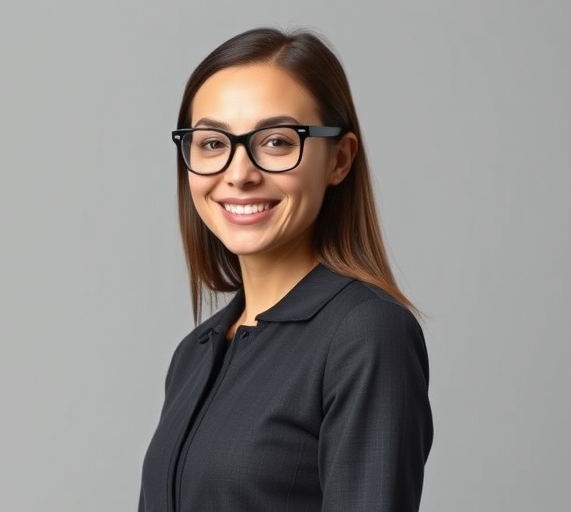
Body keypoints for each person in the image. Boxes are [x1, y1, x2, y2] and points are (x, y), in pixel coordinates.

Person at [138, 27, 433, 512]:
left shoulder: (366, 334)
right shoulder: (194, 353)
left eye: (276, 141)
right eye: (212, 144)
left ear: (339, 159)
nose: (239, 173)